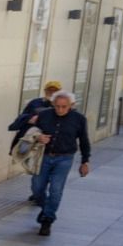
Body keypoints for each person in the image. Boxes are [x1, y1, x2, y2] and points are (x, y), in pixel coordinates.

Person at [29, 90, 92, 236]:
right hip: (43, 156)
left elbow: (84, 140)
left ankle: (47, 220)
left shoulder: (79, 119)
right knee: (37, 188)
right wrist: (38, 137)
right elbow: (32, 131)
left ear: (71, 105)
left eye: (64, 106)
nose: (60, 109)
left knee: (56, 190)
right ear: (53, 104)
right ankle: (46, 210)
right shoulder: (44, 115)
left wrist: (85, 161)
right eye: (57, 106)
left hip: (64, 158)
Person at [8, 80, 60, 154]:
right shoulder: (35, 102)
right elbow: (22, 116)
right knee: (22, 155)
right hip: (31, 137)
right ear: (45, 91)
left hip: (49, 141)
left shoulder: (62, 105)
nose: (52, 93)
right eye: (49, 90)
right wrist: (29, 119)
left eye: (55, 91)